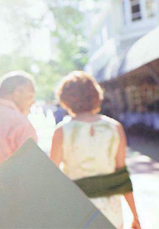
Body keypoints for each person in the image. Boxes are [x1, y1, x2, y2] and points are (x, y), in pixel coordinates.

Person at [50, 71, 140, 229]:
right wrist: (135, 214)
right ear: (95, 95)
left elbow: (51, 177)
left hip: (77, 209)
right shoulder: (114, 128)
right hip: (111, 209)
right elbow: (122, 175)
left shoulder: (62, 131)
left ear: (65, 99)